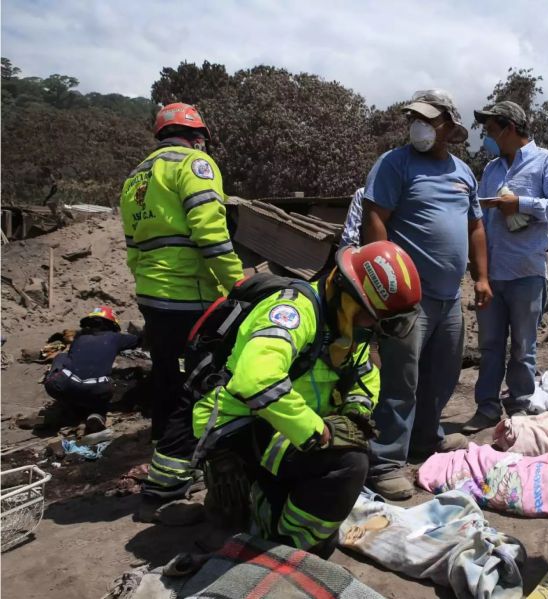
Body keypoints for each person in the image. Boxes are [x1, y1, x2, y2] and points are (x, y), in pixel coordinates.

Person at [186, 241, 421, 557]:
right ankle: (290, 547)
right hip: (240, 423)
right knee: (348, 463)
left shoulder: (348, 326)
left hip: (282, 426)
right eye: (373, 318)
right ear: (351, 300)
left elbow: (365, 375)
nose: (374, 328)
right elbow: (256, 379)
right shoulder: (293, 312)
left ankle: (274, 516)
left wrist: (355, 415)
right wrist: (318, 432)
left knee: (341, 452)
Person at [361, 89, 492, 500]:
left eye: (429, 119)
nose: (418, 125)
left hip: (449, 295)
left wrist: (482, 278)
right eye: (414, 117)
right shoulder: (394, 164)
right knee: (400, 378)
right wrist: (386, 280)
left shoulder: (463, 173)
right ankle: (384, 462)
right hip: (406, 299)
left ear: (449, 127)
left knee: (443, 373)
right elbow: (375, 218)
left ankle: (425, 438)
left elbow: (475, 227)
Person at [120, 102, 244, 442]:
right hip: (190, 294)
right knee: (196, 381)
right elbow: (211, 234)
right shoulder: (195, 164)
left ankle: (162, 446)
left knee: (165, 376)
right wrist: (238, 282)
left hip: (152, 293)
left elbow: (131, 244)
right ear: (197, 136)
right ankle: (183, 459)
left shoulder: (136, 177)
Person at [461, 101, 548, 433]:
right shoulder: (492, 169)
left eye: (492, 130)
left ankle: (520, 404)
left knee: (524, 346)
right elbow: (477, 218)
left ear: (509, 128)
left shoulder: (547, 162)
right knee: (490, 344)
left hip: (527, 272)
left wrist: (521, 204)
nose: (487, 137)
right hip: (492, 275)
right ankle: (486, 408)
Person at [42, 306, 140, 432]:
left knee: (62, 357)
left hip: (62, 386)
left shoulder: (79, 337)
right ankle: (97, 414)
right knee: (105, 387)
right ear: (112, 324)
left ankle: (69, 409)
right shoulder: (117, 338)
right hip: (97, 390)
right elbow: (140, 340)